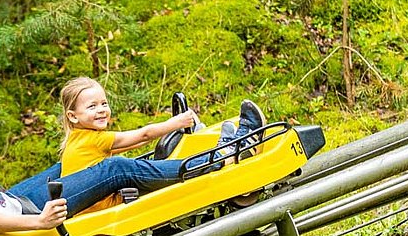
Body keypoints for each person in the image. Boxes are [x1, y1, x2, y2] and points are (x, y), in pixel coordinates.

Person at [0, 50, 265, 230]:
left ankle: (158, 162)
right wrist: (41, 223)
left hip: (7, 200)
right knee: (114, 167)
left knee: (70, 166)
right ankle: (221, 158)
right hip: (17, 213)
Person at [58, 76, 267, 212]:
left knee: (155, 160)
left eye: (104, 103)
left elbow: (127, 145)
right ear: (73, 116)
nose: (101, 110)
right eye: (92, 106)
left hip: (99, 202)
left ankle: (204, 151)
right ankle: (223, 157)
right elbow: (143, 135)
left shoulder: (78, 140)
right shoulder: (93, 138)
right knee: (130, 167)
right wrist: (176, 122)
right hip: (107, 205)